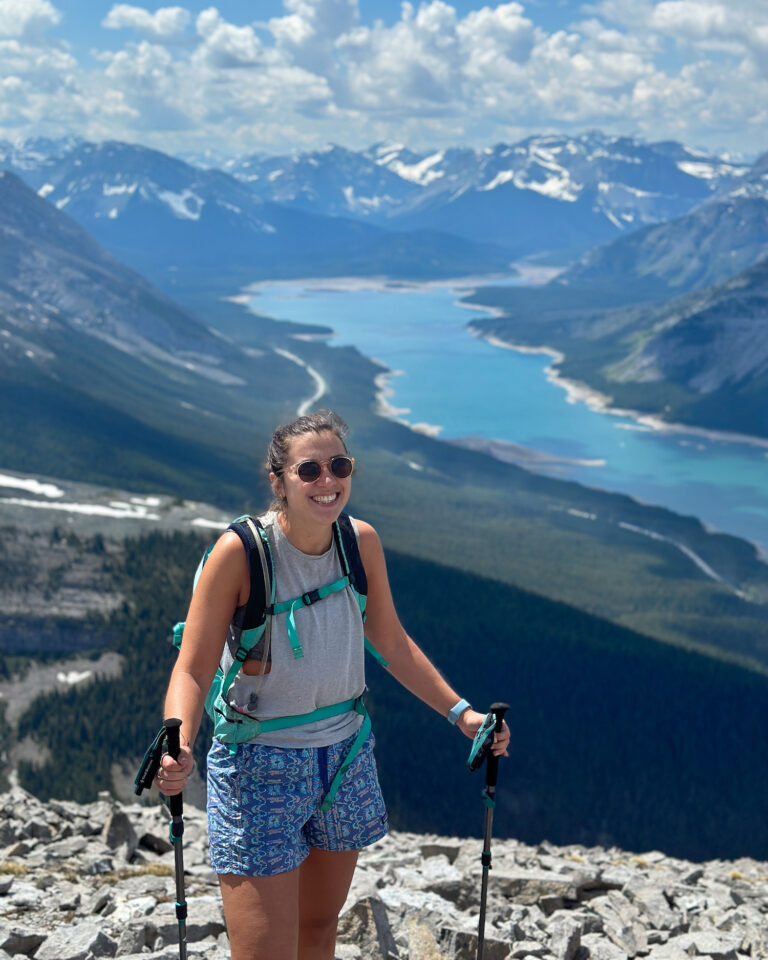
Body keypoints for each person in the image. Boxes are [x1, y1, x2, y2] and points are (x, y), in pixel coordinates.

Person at [155, 409, 510, 960]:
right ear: (278, 481)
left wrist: (462, 715)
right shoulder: (242, 553)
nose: (328, 481)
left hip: (345, 757)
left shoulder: (359, 542)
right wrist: (177, 738)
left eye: (339, 466)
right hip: (258, 765)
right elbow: (193, 667)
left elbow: (391, 643)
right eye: (310, 470)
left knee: (319, 932)